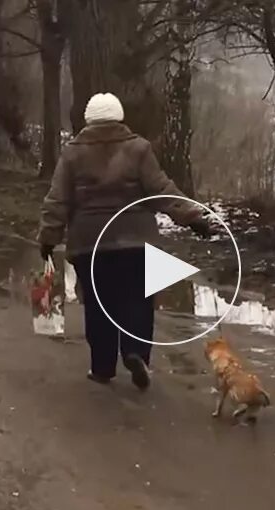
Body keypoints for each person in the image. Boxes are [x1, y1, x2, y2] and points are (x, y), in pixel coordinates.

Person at [36, 92, 212, 390]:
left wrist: (48, 237)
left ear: (89, 119)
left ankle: (102, 368)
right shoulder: (139, 149)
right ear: (119, 117)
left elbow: (58, 200)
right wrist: (192, 217)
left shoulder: (72, 153)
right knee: (138, 301)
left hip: (90, 242)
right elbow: (162, 190)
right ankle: (135, 352)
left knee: (98, 304)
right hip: (137, 240)